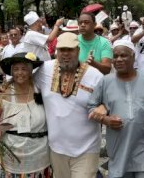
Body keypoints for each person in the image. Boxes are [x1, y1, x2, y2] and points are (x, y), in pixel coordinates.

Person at [34, 32, 103, 178]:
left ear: (78, 50)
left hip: (87, 148)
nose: (65, 54)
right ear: (56, 52)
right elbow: (24, 84)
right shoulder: (43, 70)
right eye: (61, 50)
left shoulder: (95, 75)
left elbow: (107, 102)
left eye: (70, 50)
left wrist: (104, 108)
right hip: (56, 148)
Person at [88, 39, 144, 178]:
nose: (118, 59)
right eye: (115, 56)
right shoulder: (105, 81)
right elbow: (91, 108)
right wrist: (105, 119)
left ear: (133, 56)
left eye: (123, 55)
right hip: (118, 148)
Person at [0, 52, 50, 177]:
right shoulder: (4, 94)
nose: (20, 73)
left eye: (24, 69)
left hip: (39, 156)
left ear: (31, 71)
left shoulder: (40, 90)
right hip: (11, 157)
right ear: (11, 72)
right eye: (16, 69)